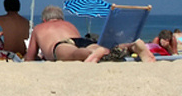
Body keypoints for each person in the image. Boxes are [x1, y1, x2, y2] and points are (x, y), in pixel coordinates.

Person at [26, 5, 155, 63]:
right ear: (61, 19)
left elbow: (29, 57)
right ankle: (130, 45)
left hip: (62, 45)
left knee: (74, 54)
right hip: (81, 40)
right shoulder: (69, 24)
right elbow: (78, 41)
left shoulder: (39, 28)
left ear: (44, 20)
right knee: (97, 47)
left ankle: (92, 54)